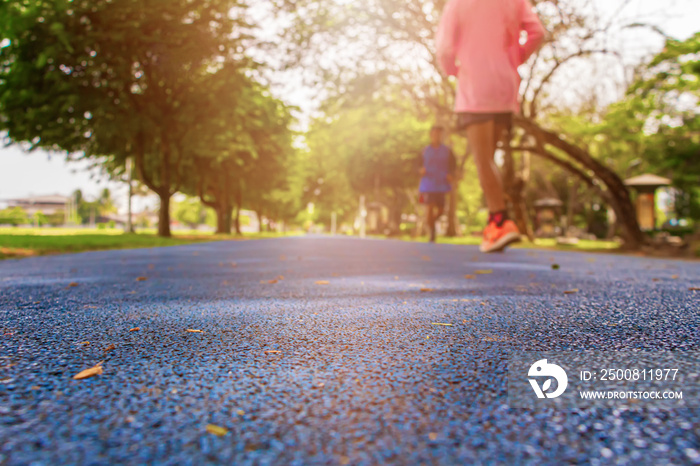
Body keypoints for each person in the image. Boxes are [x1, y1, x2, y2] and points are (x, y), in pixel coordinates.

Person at [436, 0, 545, 253]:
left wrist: (454, 71)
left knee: (482, 159)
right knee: (490, 159)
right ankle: (494, 225)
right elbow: (537, 33)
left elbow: (444, 49)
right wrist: (515, 59)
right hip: (505, 84)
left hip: (476, 85)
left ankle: (500, 220)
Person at [419, 125, 456, 243]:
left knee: (441, 210)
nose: (437, 136)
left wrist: (451, 174)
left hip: (442, 183)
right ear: (431, 135)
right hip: (428, 183)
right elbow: (416, 164)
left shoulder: (447, 151)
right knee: (429, 207)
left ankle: (432, 222)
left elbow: (453, 165)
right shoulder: (425, 150)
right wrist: (420, 170)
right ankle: (432, 232)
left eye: (439, 134)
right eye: (435, 134)